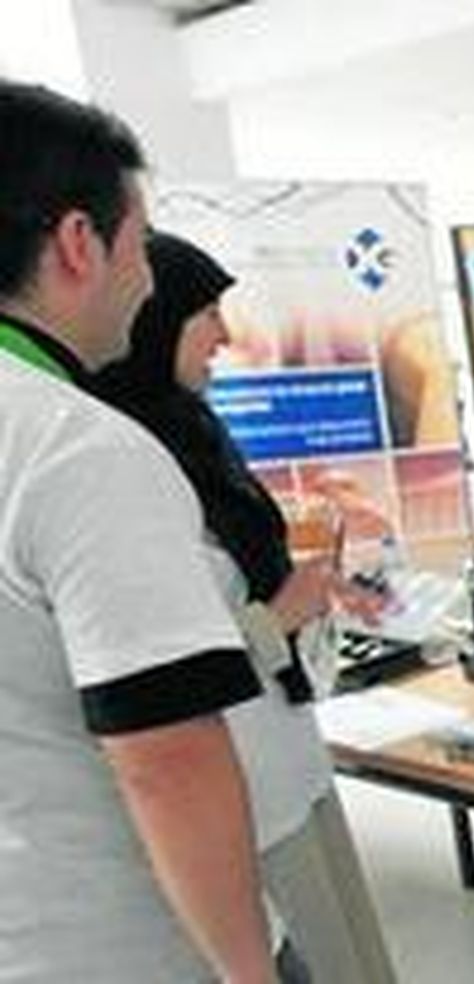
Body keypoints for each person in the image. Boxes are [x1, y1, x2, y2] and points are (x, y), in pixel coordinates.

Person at [0, 81, 275, 981]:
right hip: (121, 943)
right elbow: (167, 759)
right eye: (141, 243)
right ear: (80, 243)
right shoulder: (79, 451)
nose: (150, 277)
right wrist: (248, 971)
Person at [95, 231, 398, 983]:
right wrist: (276, 619)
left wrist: (304, 589)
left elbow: (234, 581)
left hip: (292, 756)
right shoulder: (120, 468)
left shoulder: (194, 432)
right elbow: (152, 677)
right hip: (243, 798)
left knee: (357, 956)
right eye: (207, 315)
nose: (227, 336)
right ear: (158, 323)